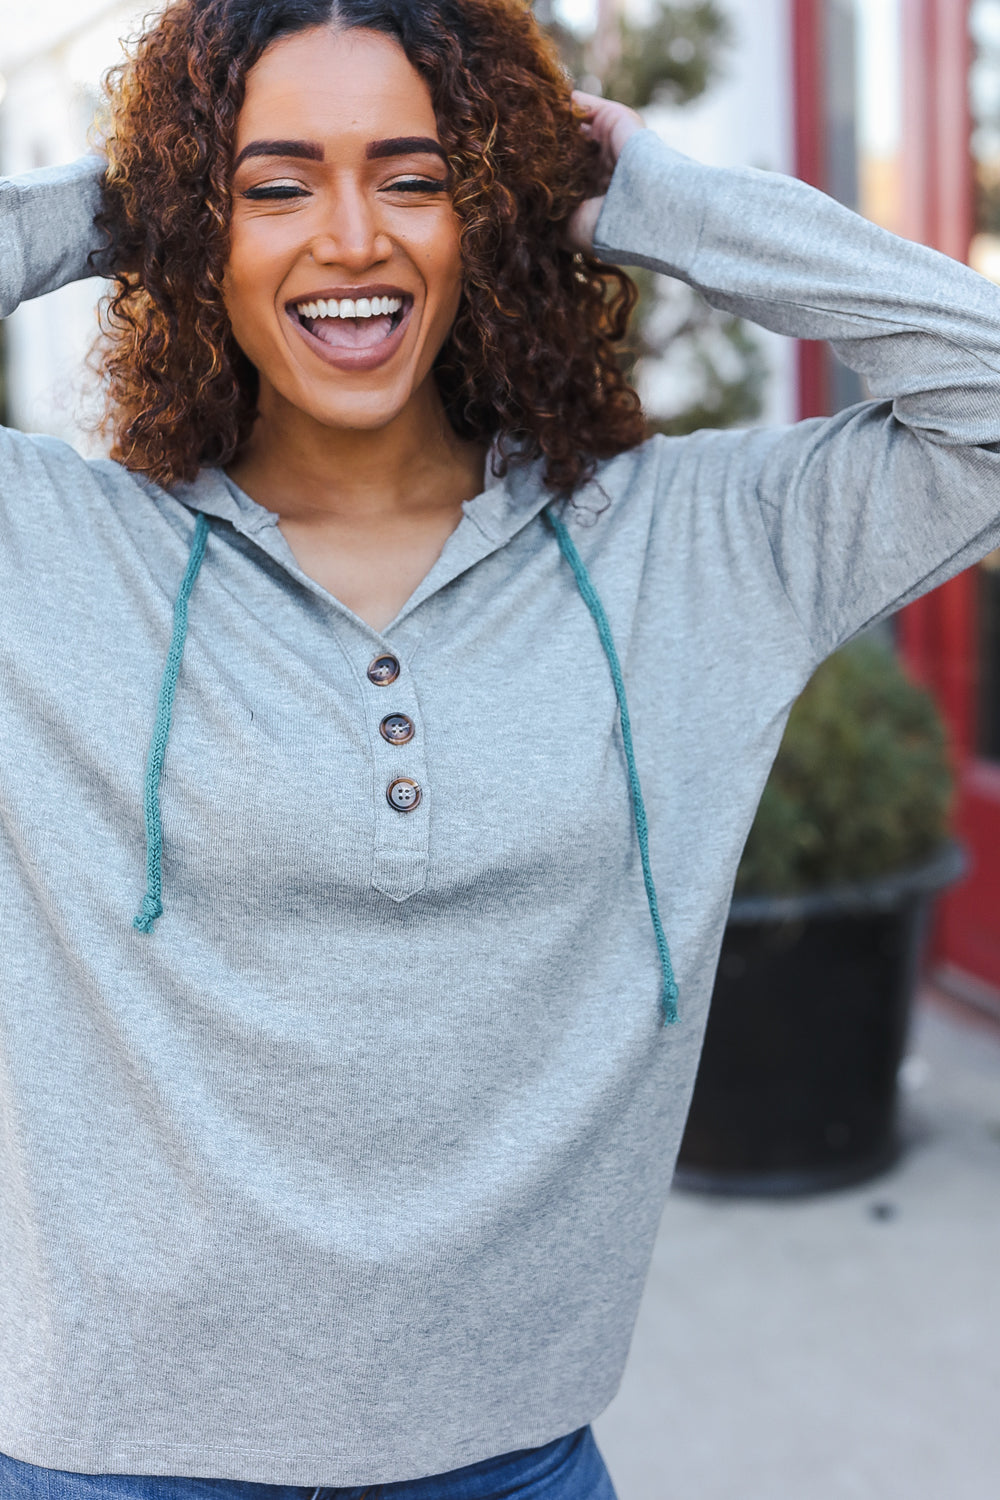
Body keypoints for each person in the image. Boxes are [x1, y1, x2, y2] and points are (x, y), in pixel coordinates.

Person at [2, 0, 1000, 1495]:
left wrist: (661, 203)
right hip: (105, 1460)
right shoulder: (64, 553)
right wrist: (111, 203)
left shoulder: (691, 550)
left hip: (514, 1457)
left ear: (492, 210)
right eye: (275, 185)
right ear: (196, 229)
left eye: (414, 177)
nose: (352, 238)